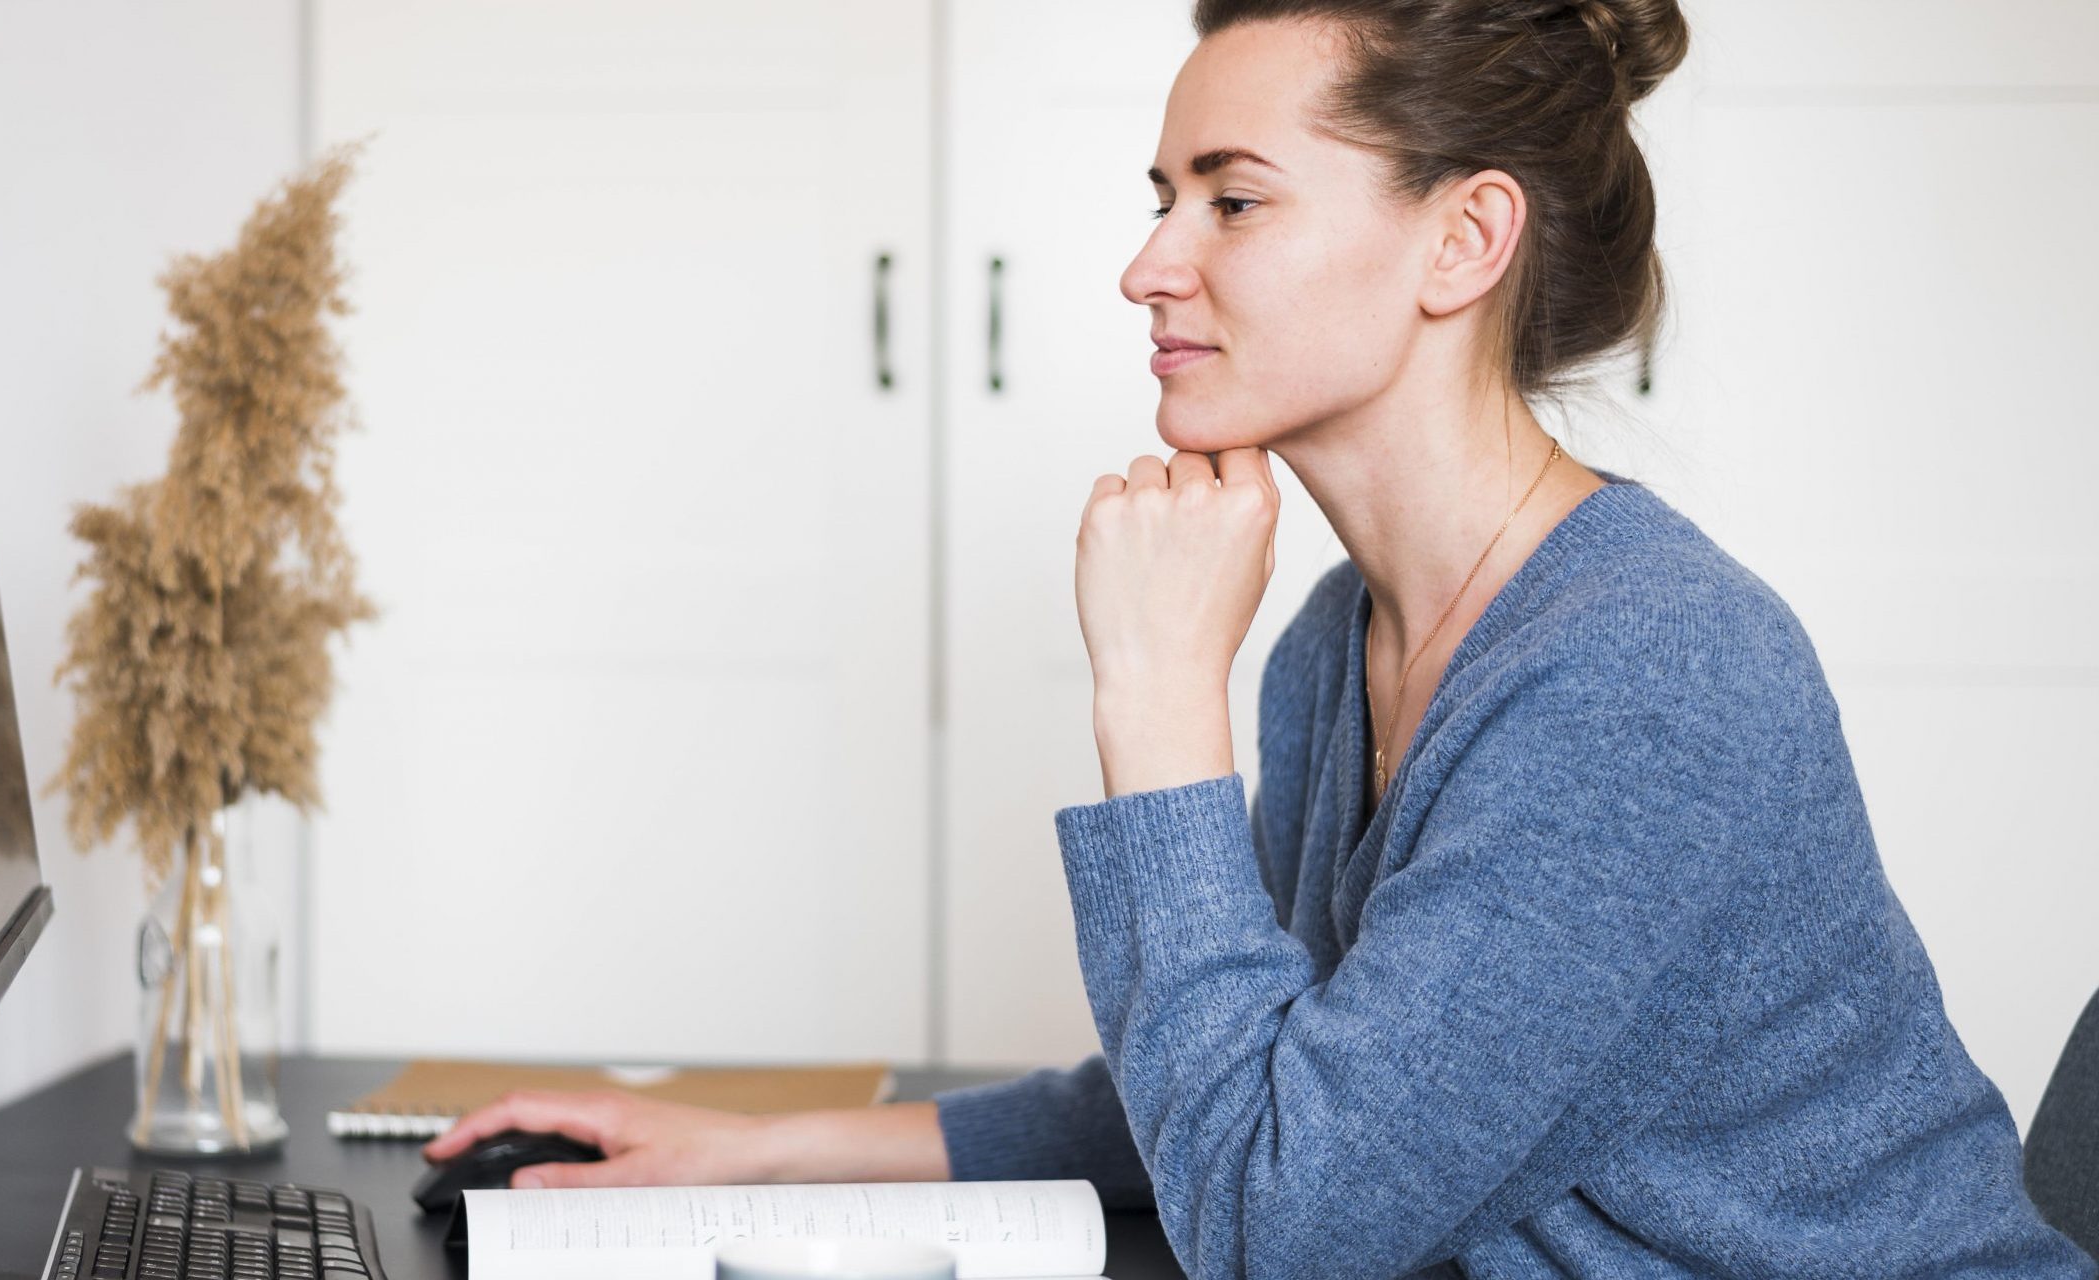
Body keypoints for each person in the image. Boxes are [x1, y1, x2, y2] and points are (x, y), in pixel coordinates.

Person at [424, 1, 2096, 1275]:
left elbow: (1282, 1227)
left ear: (1464, 239)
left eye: (1232, 202)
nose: (1147, 265)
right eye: (1165, 197)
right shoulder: (1336, 638)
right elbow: (1245, 1086)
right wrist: (749, 1148)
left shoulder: (1643, 675)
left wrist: (1156, 692)